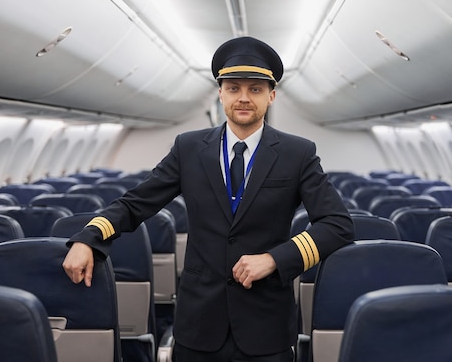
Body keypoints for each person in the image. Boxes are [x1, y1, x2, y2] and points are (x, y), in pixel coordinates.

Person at [62, 36, 355, 362]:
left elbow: (337, 225)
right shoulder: (188, 148)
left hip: (265, 325)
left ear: (271, 96)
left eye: (255, 89)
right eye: (233, 88)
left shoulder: (296, 153)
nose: (243, 98)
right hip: (199, 322)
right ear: (220, 94)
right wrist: (88, 238)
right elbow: (135, 204)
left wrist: (274, 259)